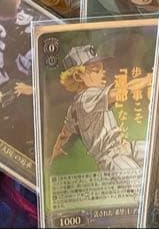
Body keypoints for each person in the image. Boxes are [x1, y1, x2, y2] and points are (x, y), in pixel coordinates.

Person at [52, 44, 152, 191]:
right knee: (143, 188)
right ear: (78, 76)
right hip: (113, 158)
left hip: (125, 148)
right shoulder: (87, 97)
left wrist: (56, 148)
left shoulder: (74, 108)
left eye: (102, 67)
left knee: (158, 155)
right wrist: (148, 79)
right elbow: (121, 91)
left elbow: (64, 133)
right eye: (96, 70)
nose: (103, 72)